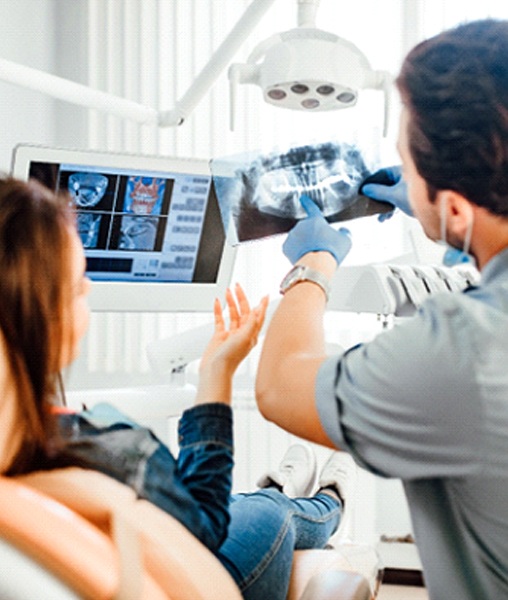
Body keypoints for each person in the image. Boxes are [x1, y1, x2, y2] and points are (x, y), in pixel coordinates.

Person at [0, 176, 355, 600]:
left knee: (251, 502)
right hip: (186, 568)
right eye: (80, 283)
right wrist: (218, 372)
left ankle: (283, 486)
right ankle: (329, 503)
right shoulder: (116, 456)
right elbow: (202, 530)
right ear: (46, 321)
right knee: (267, 512)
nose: (89, 288)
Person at [255, 18, 508, 600]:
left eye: (407, 161)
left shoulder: (461, 352)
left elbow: (278, 386)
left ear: (455, 205)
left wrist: (313, 265)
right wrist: (456, 231)